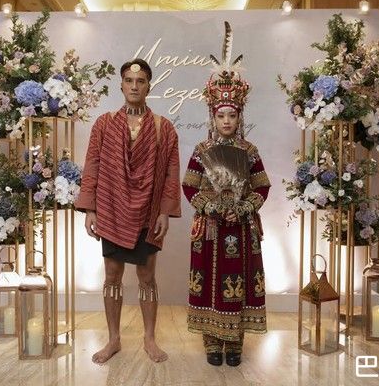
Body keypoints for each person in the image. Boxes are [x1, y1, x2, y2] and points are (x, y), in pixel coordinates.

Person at [75, 58, 181, 364]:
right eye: (129, 81)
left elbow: (171, 172)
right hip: (110, 208)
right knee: (112, 274)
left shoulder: (164, 127)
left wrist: (164, 211)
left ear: (149, 86)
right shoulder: (104, 124)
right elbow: (92, 165)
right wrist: (90, 209)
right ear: (121, 85)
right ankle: (113, 339)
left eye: (141, 81)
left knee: (147, 276)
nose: (134, 86)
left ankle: (149, 338)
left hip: (148, 212)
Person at [182, 22, 271, 367]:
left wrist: (244, 207)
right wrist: (213, 207)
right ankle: (211, 343)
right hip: (210, 228)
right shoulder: (202, 150)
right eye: (221, 115)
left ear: (239, 116)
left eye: (232, 115)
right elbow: (189, 186)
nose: (227, 121)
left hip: (243, 228)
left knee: (240, 284)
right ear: (213, 116)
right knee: (209, 282)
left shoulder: (250, 150)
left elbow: (262, 186)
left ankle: (235, 345)